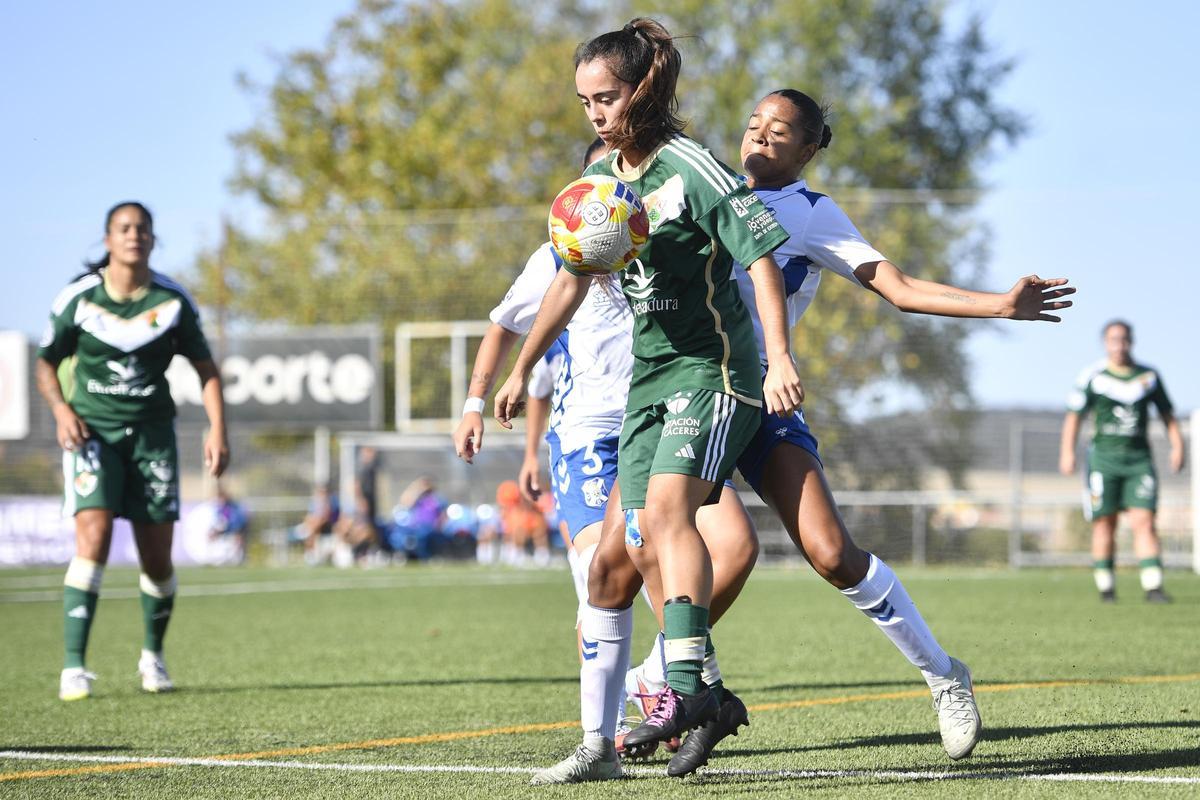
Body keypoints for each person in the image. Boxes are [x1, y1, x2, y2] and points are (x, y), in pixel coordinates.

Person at [652, 88, 1078, 770]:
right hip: (692, 398)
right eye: (753, 123)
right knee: (684, 549)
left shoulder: (810, 213)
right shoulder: (706, 188)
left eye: (781, 131)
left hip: (760, 400)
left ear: (811, 149)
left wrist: (1000, 305)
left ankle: (943, 674)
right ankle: (671, 687)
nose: (760, 136)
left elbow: (900, 287)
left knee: (830, 552)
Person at [492, 18, 802, 782]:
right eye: (585, 101)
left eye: (606, 97)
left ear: (644, 89)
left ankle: (687, 689)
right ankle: (598, 748)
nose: (595, 112)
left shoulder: (692, 167)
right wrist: (518, 367)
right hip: (650, 382)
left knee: (666, 515)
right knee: (611, 564)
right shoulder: (601, 186)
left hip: (715, 372)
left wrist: (779, 359)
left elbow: (760, 260)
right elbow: (568, 279)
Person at [35, 201, 228, 701]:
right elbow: (45, 363)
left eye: (142, 228)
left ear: (152, 239)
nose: (134, 235)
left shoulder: (172, 300)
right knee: (93, 536)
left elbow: (206, 369)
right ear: (107, 240)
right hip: (91, 435)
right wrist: (61, 410)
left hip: (152, 438)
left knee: (157, 557)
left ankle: (152, 655)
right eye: (124, 228)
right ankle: (74, 667)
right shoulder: (78, 299)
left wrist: (217, 429)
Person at [1059, 320, 1183, 603]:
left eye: (1124, 339)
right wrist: (1067, 452)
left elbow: (1167, 415)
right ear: (1105, 343)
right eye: (1114, 340)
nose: (1119, 345)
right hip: (1103, 460)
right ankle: (1107, 589)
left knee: (1145, 521)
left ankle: (1153, 587)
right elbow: (1074, 416)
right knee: (1105, 523)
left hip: (1139, 460)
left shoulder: (1148, 376)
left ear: (1132, 341)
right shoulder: (1093, 376)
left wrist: (1178, 446)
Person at [204, 484, 249, 565]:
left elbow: (237, 521)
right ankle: (211, 558)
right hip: (226, 528)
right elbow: (219, 521)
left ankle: (238, 559)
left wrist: (231, 529)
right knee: (211, 535)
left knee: (238, 537)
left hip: (236, 528)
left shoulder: (233, 507)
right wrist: (215, 529)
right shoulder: (219, 508)